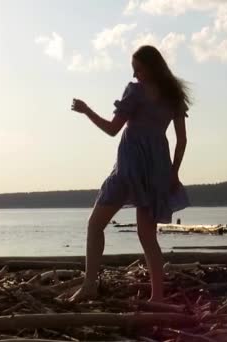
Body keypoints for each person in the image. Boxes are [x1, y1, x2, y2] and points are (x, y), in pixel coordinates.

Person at [70, 45, 191, 302]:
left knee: (95, 225)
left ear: (151, 67)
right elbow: (181, 141)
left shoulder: (135, 92)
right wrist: (173, 172)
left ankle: (90, 285)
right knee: (148, 237)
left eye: (138, 68)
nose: (135, 75)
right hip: (158, 169)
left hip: (130, 168)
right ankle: (156, 297)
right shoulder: (173, 96)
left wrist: (86, 111)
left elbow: (113, 129)